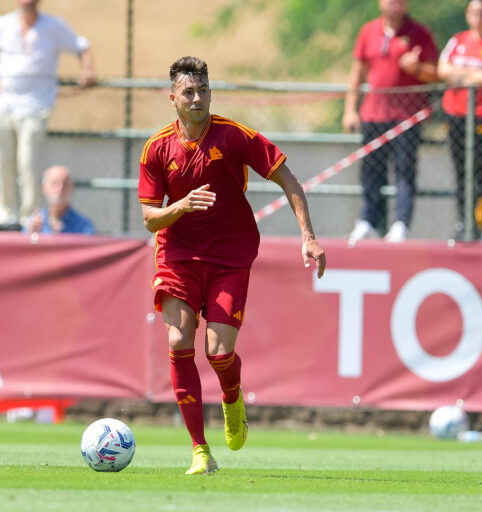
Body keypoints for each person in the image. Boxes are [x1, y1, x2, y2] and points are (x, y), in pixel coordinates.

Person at [138, 56, 326, 475]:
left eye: (203, 90)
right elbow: (150, 218)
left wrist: (308, 236)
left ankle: (232, 394)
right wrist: (182, 206)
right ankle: (200, 450)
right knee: (178, 341)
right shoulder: (156, 148)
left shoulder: (234, 135)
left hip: (230, 256)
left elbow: (288, 179)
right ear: (172, 98)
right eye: (189, 92)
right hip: (178, 255)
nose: (198, 98)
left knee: (219, 353)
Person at [0, 0, 96, 228]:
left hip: (35, 106)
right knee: (2, 164)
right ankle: (5, 219)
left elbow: (82, 46)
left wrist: (88, 72)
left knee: (28, 164)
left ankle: (29, 220)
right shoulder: (2, 24)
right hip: (2, 105)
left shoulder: (54, 26)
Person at [344, 0, 438, 243]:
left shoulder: (420, 33)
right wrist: (350, 110)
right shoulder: (368, 31)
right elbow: (357, 73)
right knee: (371, 171)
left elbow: (435, 74)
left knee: (404, 170)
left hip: (407, 117)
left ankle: (401, 224)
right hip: (373, 114)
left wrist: (416, 68)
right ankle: (368, 221)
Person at [438, 0, 482, 240]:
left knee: (480, 174)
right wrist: (473, 76)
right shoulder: (457, 40)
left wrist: (461, 75)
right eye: (473, 13)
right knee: (461, 173)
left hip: (481, 116)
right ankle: (463, 223)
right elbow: (442, 69)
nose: (478, 18)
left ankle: (477, 224)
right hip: (455, 113)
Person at [22, 165, 94, 235]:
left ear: (71, 188)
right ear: (44, 188)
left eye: (65, 184)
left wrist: (62, 235)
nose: (60, 188)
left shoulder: (83, 226)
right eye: (54, 183)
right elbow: (22, 240)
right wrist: (30, 235)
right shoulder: (34, 221)